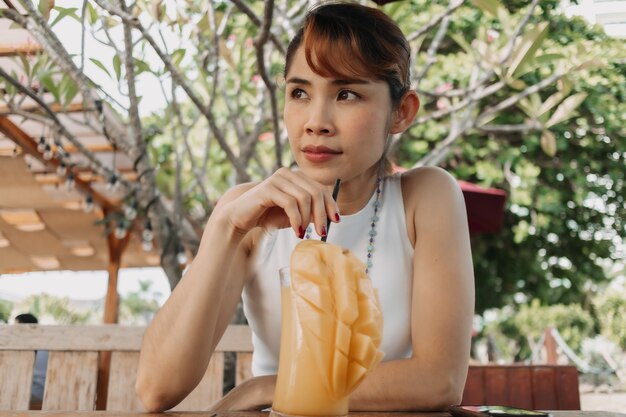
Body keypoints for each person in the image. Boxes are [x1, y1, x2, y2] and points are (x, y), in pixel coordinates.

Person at [136, 2, 474, 412]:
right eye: (299, 92)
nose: (316, 121)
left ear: (401, 112)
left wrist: (266, 389)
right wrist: (227, 227)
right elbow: (156, 390)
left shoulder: (426, 198)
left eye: (346, 93)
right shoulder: (245, 211)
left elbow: (439, 381)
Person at [15, 313, 48, 407]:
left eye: (16, 327)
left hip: (34, 393)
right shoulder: (44, 344)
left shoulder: (30, 347)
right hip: (40, 391)